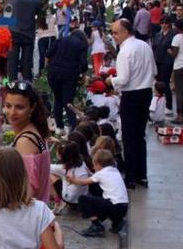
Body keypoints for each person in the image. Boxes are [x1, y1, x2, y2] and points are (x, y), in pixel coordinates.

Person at [107, 19, 156, 188]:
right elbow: (154, 71)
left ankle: (131, 176)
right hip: (146, 93)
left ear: (126, 32)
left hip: (132, 95)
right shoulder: (145, 46)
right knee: (139, 136)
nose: (114, 36)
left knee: (129, 136)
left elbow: (123, 78)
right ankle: (141, 175)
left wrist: (110, 80)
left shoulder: (125, 51)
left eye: (116, 33)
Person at [4, 81, 53, 203]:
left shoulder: (25, 141)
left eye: (19, 107)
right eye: (8, 105)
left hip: (25, 217)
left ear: (32, 107)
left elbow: (26, 192)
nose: (12, 112)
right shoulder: (36, 131)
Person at [67, 149, 130, 237]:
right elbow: (101, 179)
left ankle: (96, 225)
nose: (93, 168)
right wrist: (91, 174)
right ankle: (117, 223)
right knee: (102, 194)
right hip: (123, 208)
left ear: (98, 164)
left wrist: (72, 180)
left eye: (94, 165)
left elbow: (83, 182)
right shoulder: (114, 170)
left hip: (114, 207)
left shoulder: (101, 174)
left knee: (83, 199)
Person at [47, 22, 88, 131]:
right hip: (69, 75)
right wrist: (83, 75)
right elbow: (83, 64)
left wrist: (49, 68)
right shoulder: (81, 45)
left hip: (53, 74)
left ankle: (59, 127)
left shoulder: (60, 40)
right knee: (68, 102)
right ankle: (73, 127)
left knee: (58, 99)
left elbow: (48, 54)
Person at [7, 0, 43, 81]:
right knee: (27, 62)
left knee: (12, 61)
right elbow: (40, 18)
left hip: (14, 32)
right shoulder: (37, 1)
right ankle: (27, 84)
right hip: (28, 34)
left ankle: (12, 84)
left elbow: (8, 12)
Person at [50, 141, 90, 213]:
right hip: (83, 197)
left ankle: (58, 203)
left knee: (50, 175)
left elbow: (47, 167)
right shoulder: (82, 162)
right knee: (60, 175)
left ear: (61, 155)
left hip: (69, 198)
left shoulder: (63, 168)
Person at [151, 15, 175, 117]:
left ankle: (169, 106)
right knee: (158, 83)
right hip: (157, 60)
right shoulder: (158, 35)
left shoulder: (172, 35)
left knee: (165, 83)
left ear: (169, 24)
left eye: (166, 22)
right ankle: (160, 104)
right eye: (162, 22)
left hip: (166, 62)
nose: (164, 24)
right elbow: (154, 47)